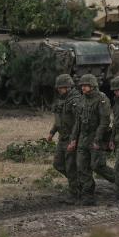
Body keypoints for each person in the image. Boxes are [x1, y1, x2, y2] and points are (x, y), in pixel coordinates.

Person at [67, 74, 117, 206]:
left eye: (85, 85)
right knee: (82, 167)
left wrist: (97, 139)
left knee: (98, 166)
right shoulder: (82, 100)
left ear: (93, 86)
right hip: (83, 138)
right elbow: (77, 122)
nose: (83, 87)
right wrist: (73, 139)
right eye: (82, 85)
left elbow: (104, 121)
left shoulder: (102, 99)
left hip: (96, 138)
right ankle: (88, 195)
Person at [46, 74, 81, 203]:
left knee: (71, 166)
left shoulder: (75, 100)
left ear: (68, 87)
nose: (59, 90)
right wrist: (52, 132)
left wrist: (74, 139)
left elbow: (79, 121)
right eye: (59, 88)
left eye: (62, 87)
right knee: (58, 164)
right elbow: (59, 120)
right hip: (62, 137)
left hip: (71, 138)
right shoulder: (62, 100)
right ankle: (78, 183)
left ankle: (75, 193)